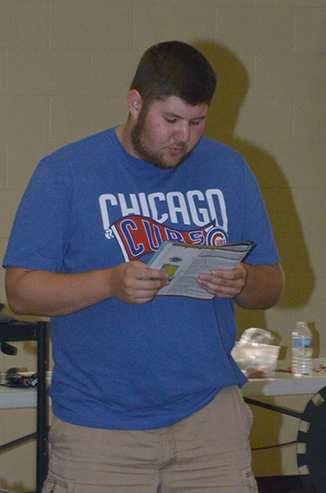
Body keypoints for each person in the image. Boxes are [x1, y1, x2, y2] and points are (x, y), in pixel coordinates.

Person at [3, 41, 284, 493]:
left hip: (211, 420)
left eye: (197, 122)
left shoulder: (230, 170)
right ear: (136, 103)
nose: (184, 137)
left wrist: (245, 280)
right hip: (100, 429)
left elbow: (272, 284)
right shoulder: (65, 173)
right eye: (170, 120)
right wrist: (109, 283)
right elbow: (20, 291)